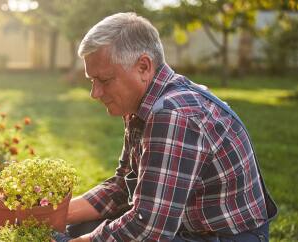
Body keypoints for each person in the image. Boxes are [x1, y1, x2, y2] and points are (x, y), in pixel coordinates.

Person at [51, 12, 277, 242]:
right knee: (79, 227)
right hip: (185, 228)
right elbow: (122, 186)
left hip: (228, 237)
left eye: (105, 80)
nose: (95, 93)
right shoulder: (142, 105)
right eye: (92, 81)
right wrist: (54, 216)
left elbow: (149, 228)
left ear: (143, 66)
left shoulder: (173, 114)